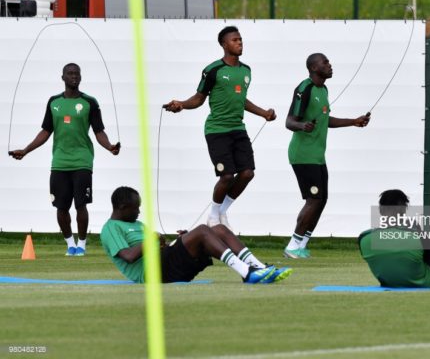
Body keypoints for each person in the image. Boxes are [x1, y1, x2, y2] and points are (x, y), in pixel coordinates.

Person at [164, 26, 276, 230]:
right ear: (224, 44)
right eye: (234, 40)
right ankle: (214, 216)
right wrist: (181, 104)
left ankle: (222, 210)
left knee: (247, 173)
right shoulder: (213, 70)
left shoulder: (246, 71)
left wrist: (263, 113)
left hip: (238, 129)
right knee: (226, 176)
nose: (239, 43)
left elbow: (240, 99)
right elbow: (199, 98)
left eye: (241, 39)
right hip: (217, 130)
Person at [9, 63, 120, 256]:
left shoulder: (89, 102)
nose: (74, 76)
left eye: (77, 74)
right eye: (70, 74)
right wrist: (26, 150)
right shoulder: (54, 102)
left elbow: (99, 131)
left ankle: (82, 245)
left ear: (81, 77)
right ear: (63, 78)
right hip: (59, 162)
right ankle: (70, 244)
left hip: (82, 160)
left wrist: (110, 147)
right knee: (61, 206)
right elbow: (45, 131)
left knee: (80, 205)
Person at [101, 186, 293, 284]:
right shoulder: (111, 228)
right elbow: (129, 256)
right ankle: (247, 273)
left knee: (215, 229)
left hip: (166, 263)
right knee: (202, 230)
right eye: (136, 208)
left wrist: (181, 240)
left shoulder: (137, 224)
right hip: (153, 274)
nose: (139, 212)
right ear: (122, 207)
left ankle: (259, 267)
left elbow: (161, 250)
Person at [283, 53, 371, 259]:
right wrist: (302, 125)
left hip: (317, 156)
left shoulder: (323, 89)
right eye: (325, 62)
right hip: (303, 155)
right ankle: (292, 245)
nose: (330, 65)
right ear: (314, 68)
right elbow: (289, 122)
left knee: (321, 200)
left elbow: (325, 119)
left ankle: (302, 244)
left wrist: (353, 121)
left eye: (329, 62)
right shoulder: (304, 89)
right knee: (313, 199)